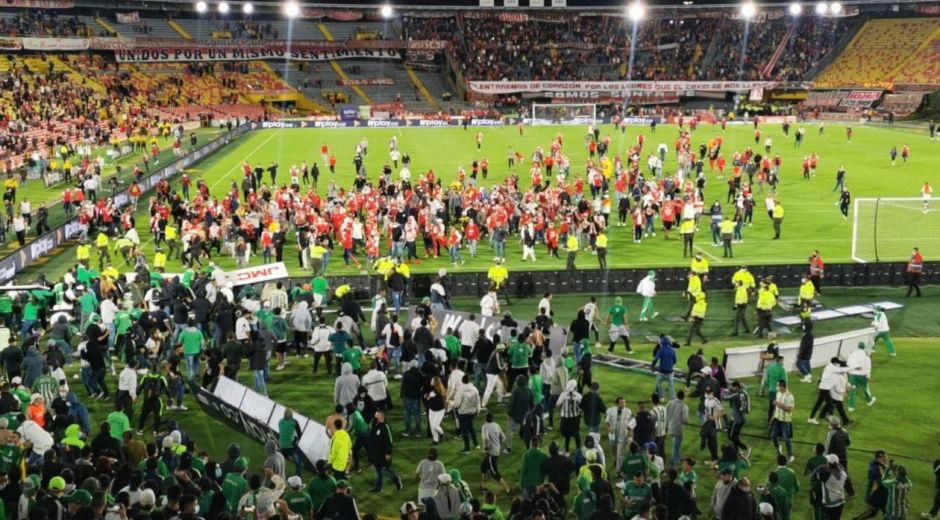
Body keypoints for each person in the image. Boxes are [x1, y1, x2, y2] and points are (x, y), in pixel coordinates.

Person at [367, 410, 403, 493]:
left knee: (386, 470)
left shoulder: (385, 427)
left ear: (381, 417)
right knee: (378, 471)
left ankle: (396, 479)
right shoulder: (374, 425)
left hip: (383, 454)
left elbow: (389, 441)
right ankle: (378, 488)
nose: (374, 418)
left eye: (376, 416)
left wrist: (388, 453)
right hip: (375, 454)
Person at [480, 412, 511, 494]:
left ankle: (507, 488)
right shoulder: (496, 425)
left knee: (494, 472)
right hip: (497, 450)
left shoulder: (485, 427)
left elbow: (486, 439)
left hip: (491, 453)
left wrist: (486, 448)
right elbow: (503, 438)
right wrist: (497, 444)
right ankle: (483, 486)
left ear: (485, 419)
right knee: (483, 467)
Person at [810, 454, 848, 520]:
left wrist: (822, 467)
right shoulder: (844, 473)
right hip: (840, 501)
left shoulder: (826, 474)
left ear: (829, 463)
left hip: (830, 503)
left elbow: (814, 476)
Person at [771, 380, 795, 463]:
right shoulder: (778, 394)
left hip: (785, 421)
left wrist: (779, 404)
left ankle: (791, 455)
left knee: (786, 439)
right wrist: (772, 418)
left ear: (782, 386)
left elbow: (790, 409)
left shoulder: (789, 396)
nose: (777, 387)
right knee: (773, 436)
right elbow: (776, 408)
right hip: (777, 419)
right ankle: (778, 447)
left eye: (778, 386)